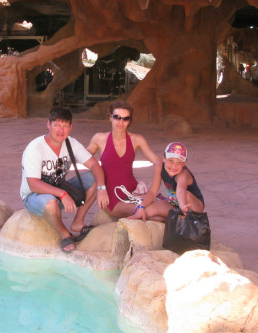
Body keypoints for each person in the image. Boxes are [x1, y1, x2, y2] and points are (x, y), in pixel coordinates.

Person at [21, 106, 105, 253]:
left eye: (65, 126)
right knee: (50, 202)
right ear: (48, 124)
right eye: (57, 125)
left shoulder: (71, 143)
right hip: (34, 196)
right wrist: (63, 194)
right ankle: (64, 234)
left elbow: (94, 165)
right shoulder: (35, 148)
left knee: (96, 178)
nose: (61, 130)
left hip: (59, 190)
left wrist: (102, 188)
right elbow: (33, 184)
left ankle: (78, 222)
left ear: (71, 127)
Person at [86, 101, 162, 218]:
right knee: (152, 213)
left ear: (129, 121)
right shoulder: (100, 138)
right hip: (111, 197)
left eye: (125, 119)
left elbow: (157, 161)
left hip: (132, 192)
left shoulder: (137, 139)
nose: (121, 122)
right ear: (110, 117)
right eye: (117, 117)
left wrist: (174, 165)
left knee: (160, 211)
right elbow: (82, 157)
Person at [131, 141, 205, 222]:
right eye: (171, 160)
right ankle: (177, 219)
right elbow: (153, 191)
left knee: (186, 195)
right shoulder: (160, 166)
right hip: (175, 204)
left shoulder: (183, 174)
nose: (174, 166)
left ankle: (189, 218)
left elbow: (181, 191)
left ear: (184, 163)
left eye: (179, 162)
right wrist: (141, 207)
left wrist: (183, 206)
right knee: (146, 213)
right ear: (164, 158)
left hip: (191, 206)